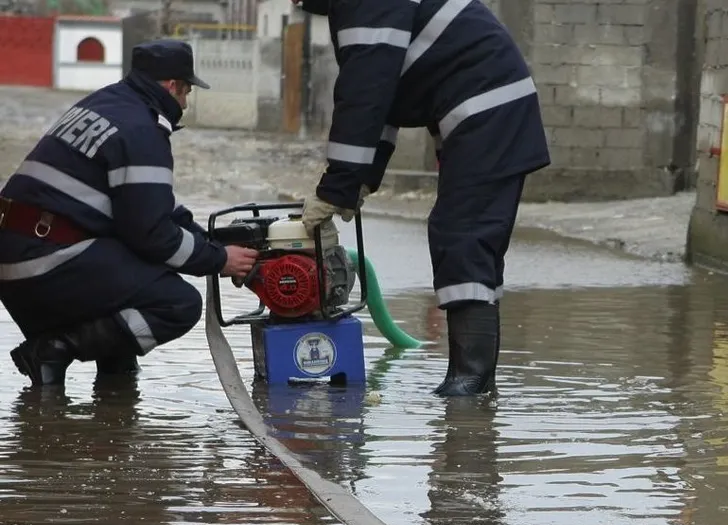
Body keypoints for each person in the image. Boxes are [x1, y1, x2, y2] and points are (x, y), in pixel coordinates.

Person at [294, 0, 551, 397]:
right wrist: (359, 181)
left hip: (487, 108)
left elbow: (365, 95)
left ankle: (470, 382)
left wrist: (337, 186)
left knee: (462, 234)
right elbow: (382, 101)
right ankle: (477, 384)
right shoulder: (356, 9)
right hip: (484, 108)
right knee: (464, 236)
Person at [0, 39, 258, 388]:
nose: (184, 104)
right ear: (172, 86)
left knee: (136, 279)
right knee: (177, 303)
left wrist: (211, 241)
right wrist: (219, 260)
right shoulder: (142, 130)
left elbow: (153, 208)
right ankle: (53, 351)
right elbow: (153, 236)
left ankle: (113, 381)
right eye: (186, 93)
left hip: (21, 258)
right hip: (41, 265)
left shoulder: (107, 103)